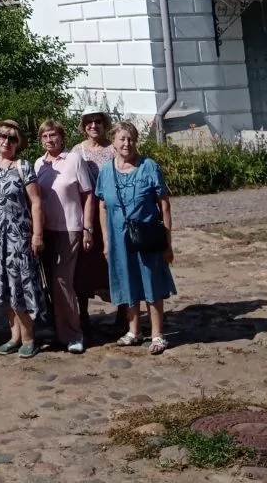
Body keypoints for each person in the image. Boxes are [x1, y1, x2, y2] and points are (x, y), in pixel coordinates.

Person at [96, 121, 175, 355]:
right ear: (113, 142)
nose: (126, 143)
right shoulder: (106, 170)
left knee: (151, 281)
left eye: (130, 139)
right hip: (119, 239)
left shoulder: (149, 166)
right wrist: (106, 241)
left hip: (147, 235)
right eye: (122, 139)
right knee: (127, 280)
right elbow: (102, 206)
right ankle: (134, 330)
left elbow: (164, 205)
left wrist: (168, 242)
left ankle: (157, 334)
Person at [0, 120, 44, 358]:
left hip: (17, 237)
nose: (6, 141)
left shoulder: (23, 166)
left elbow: (36, 202)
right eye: (2, 136)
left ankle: (28, 337)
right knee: (5, 286)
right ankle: (14, 336)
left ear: (18, 143)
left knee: (20, 285)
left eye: (12, 138)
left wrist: (37, 234)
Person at [34, 120, 95, 354]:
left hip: (69, 229)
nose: (49, 140)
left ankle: (74, 334)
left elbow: (88, 195)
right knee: (50, 282)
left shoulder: (74, 159)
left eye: (53, 135)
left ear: (62, 137)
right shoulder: (38, 164)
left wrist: (87, 228)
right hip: (45, 231)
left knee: (62, 281)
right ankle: (58, 330)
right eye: (45, 136)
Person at [73, 107, 116, 333]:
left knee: (115, 263)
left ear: (104, 124)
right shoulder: (77, 151)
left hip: (111, 214)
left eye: (97, 121)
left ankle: (123, 314)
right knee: (84, 265)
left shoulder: (114, 148)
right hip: (87, 215)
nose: (93, 126)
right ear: (83, 126)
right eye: (88, 122)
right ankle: (83, 315)